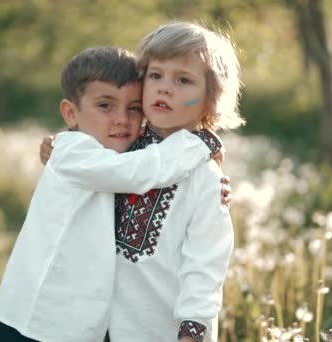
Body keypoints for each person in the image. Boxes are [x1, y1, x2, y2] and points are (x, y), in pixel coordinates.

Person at [0, 46, 220, 342]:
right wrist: (201, 144)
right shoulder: (74, 152)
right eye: (105, 106)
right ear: (70, 113)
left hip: (77, 326)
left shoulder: (122, 154)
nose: (122, 119)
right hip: (36, 322)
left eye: (134, 107)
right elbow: (139, 171)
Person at [39, 22, 244, 342]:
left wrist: (192, 331)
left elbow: (205, 268)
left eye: (184, 80)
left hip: (158, 330)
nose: (164, 88)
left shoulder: (205, 177)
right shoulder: (121, 146)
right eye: (156, 75)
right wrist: (57, 145)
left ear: (210, 99)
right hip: (92, 325)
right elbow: (83, 160)